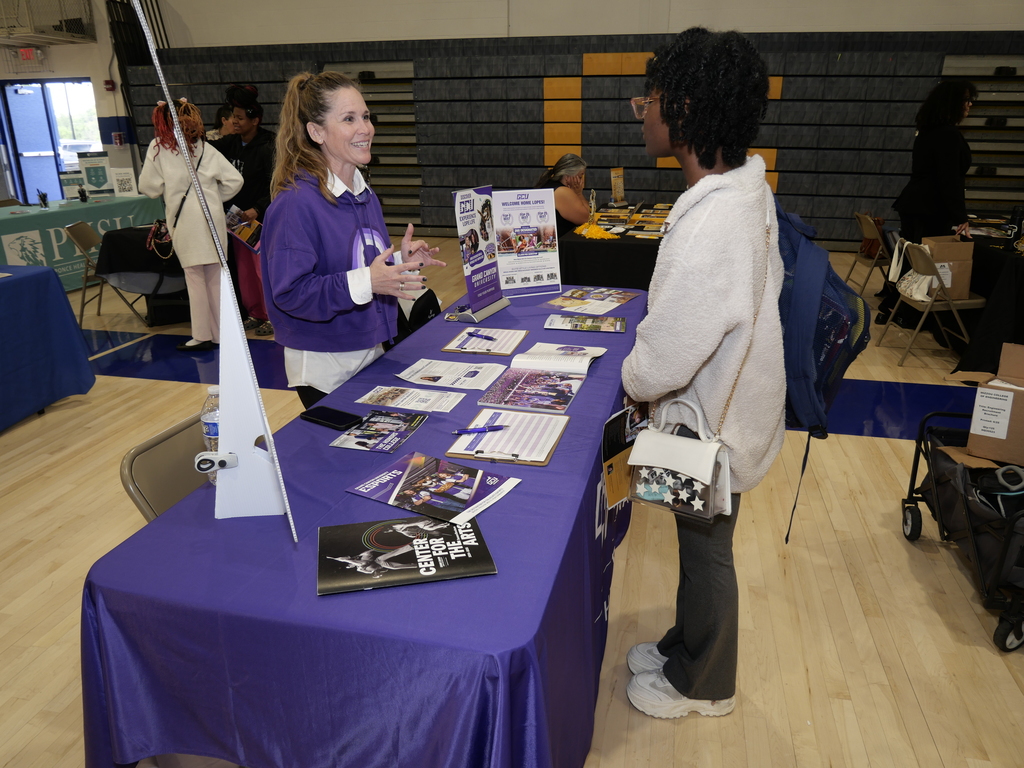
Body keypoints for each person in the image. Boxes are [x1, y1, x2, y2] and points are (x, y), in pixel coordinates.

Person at [620, 28, 785, 720]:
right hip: (727, 409)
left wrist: (634, 377)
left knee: (708, 551)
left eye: (650, 101)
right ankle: (686, 644)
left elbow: (666, 355)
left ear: (683, 110)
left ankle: (707, 682)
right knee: (697, 541)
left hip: (714, 424)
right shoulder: (742, 192)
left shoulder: (714, 220)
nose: (643, 114)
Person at [262, 71, 444, 408]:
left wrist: (399, 263)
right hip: (327, 370)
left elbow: (356, 268)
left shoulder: (364, 194)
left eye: (366, 116)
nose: (365, 128)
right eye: (349, 119)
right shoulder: (295, 203)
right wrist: (369, 280)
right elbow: (290, 293)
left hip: (371, 351)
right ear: (316, 132)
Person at [138, 99, 243, 352]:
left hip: (185, 221)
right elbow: (235, 180)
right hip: (212, 217)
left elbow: (149, 187)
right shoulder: (205, 148)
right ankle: (223, 335)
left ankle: (201, 335)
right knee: (216, 278)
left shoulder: (158, 148)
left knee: (194, 278)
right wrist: (214, 197)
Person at [878, 79, 977, 325]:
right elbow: (949, 179)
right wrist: (960, 216)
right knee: (921, 263)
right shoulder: (947, 134)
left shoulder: (928, 130)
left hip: (917, 204)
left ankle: (895, 307)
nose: (970, 105)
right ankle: (905, 312)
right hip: (929, 208)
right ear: (953, 103)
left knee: (913, 259)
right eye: (966, 100)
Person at [211, 84, 276, 336]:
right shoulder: (230, 143)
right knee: (245, 270)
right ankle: (255, 313)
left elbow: (278, 183)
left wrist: (258, 208)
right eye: (233, 117)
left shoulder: (269, 145)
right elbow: (204, 149)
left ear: (255, 120)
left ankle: (272, 315)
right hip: (237, 219)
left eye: (239, 118)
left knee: (263, 270)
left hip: (262, 219)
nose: (234, 122)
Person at [533, 153, 590, 237]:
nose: (582, 182)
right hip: (562, 241)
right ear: (568, 176)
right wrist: (579, 193)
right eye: (580, 177)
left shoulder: (548, 184)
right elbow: (587, 219)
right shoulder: (562, 192)